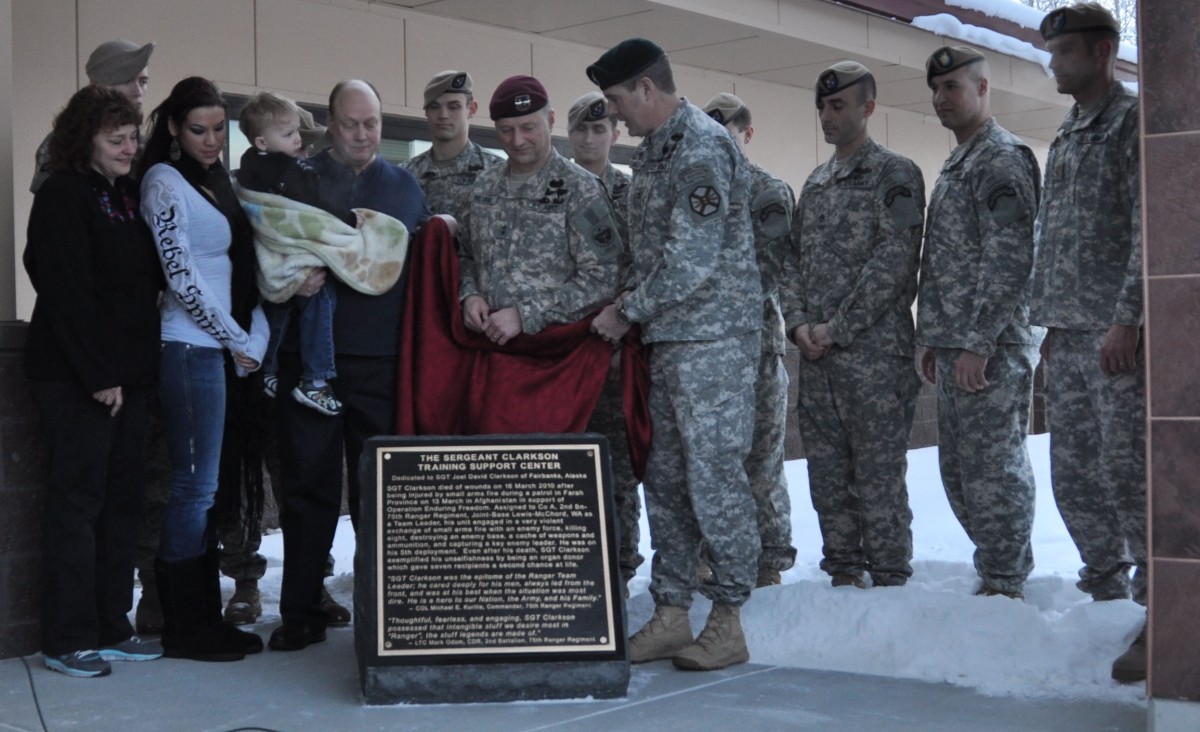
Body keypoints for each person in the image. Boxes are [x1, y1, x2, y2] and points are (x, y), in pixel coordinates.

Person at [588, 38, 762, 671]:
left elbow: (691, 259)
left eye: (614, 102)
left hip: (713, 343)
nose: (612, 116)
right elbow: (648, 253)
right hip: (670, 343)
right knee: (665, 481)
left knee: (714, 480)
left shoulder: (701, 149)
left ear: (645, 89)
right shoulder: (656, 153)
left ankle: (728, 617)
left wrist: (625, 311)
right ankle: (670, 612)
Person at [272, 79, 430, 651]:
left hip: (378, 362)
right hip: (309, 364)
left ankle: (385, 607)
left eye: (372, 124)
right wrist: (293, 280)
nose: (362, 135)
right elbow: (262, 254)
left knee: (379, 490)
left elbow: (429, 262)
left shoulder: (405, 186)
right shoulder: (296, 179)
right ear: (329, 123)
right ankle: (301, 607)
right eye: (349, 124)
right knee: (307, 487)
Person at [24, 86, 164, 677]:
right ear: (86, 141)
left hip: (129, 379)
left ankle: (112, 625)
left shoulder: (126, 196)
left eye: (133, 138)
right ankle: (67, 637)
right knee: (77, 505)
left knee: (122, 505)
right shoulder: (61, 194)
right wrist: (100, 375)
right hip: (79, 377)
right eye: (117, 139)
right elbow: (64, 289)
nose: (130, 148)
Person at [1029, 4, 1146, 682]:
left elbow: (1143, 228)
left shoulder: (1130, 124)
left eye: (1065, 51)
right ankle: (1105, 595)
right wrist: (1046, 324)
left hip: (1113, 335)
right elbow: (1057, 234)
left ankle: (1161, 609)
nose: (1052, 62)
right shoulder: (1069, 133)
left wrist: (1126, 318)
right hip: (1068, 334)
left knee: (1129, 477)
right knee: (1075, 476)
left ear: (1102, 53)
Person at [780, 63, 925, 591]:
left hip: (873, 359)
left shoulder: (895, 174)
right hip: (817, 358)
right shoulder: (816, 184)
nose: (827, 115)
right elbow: (790, 263)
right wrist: (797, 324)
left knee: (878, 475)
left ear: (868, 108)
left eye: (838, 105)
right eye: (822, 106)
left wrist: (836, 328)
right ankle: (843, 569)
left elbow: (895, 260)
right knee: (827, 473)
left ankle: (889, 578)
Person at [139, 76, 269, 662]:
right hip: (189, 347)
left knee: (205, 489)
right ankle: (184, 626)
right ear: (172, 127)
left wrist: (250, 339)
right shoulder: (163, 183)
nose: (212, 139)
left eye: (220, 128)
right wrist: (238, 339)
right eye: (198, 129)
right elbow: (180, 277)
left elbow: (246, 265)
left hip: (216, 350)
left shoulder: (218, 180)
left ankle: (203, 619)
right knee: (193, 489)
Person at [916, 47, 1044, 600]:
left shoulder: (1000, 159)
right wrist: (933, 337)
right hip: (955, 345)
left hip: (988, 348)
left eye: (953, 88)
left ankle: (1006, 581)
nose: (942, 98)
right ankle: (995, 571)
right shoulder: (959, 160)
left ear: (983, 88)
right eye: (937, 89)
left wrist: (976, 342)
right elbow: (945, 257)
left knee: (994, 470)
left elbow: (1010, 257)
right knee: (961, 473)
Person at [702, 92, 797, 588]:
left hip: (758, 349)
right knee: (712, 460)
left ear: (747, 133)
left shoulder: (767, 192)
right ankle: (713, 557)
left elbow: (779, 268)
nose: (722, 141)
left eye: (730, 132)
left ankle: (769, 562)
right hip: (708, 356)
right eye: (712, 133)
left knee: (761, 459)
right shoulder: (699, 192)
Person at [457, 75, 621, 346]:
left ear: (551, 120)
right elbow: (465, 254)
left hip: (553, 352)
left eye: (528, 127)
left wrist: (525, 315)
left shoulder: (581, 188)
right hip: (488, 348)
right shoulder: (484, 185)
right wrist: (470, 294)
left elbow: (604, 277)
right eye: (506, 130)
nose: (518, 140)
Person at [236, 90, 361, 417]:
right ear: (262, 142)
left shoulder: (248, 166)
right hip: (290, 249)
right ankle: (316, 380)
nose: (298, 142)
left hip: (271, 259)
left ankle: (267, 369)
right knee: (321, 299)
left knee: (279, 304)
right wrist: (349, 220)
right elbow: (314, 209)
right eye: (290, 134)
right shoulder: (286, 171)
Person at [566, 90, 643, 592]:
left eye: (601, 130)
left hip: (616, 350)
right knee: (568, 457)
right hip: (563, 351)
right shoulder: (553, 189)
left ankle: (621, 562)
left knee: (617, 463)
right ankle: (573, 559)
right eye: (583, 130)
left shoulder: (633, 192)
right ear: (569, 135)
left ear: (615, 134)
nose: (592, 138)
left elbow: (643, 264)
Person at [31, 39, 154, 193]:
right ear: (96, 84)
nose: (138, 91)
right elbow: (52, 203)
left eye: (143, 82)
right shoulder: (63, 143)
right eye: (127, 80)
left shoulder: (142, 143)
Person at [404, 70, 502, 221]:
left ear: (472, 109)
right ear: (426, 112)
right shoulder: (406, 175)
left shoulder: (495, 172)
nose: (443, 115)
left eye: (453, 106)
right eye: (435, 106)